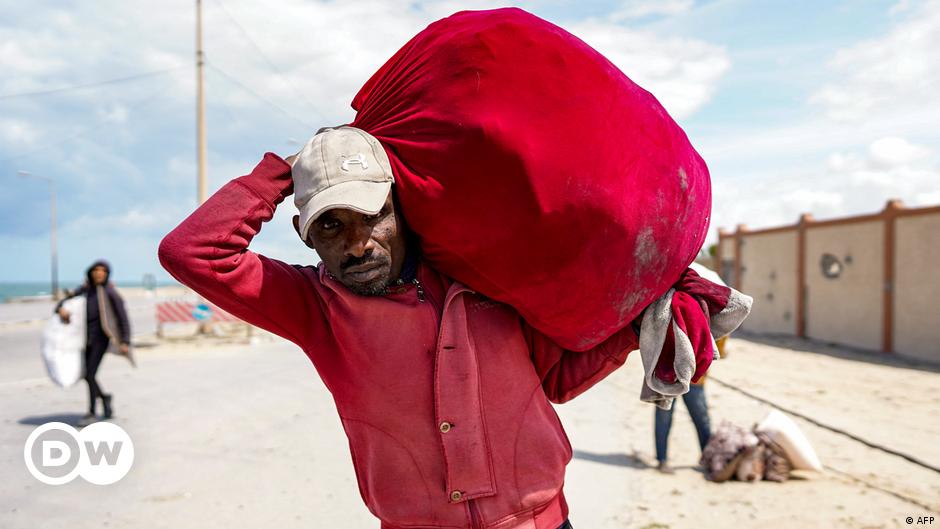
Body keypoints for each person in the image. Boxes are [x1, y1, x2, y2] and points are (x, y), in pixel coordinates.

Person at [158, 127, 656, 529]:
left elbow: (558, 379)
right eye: (330, 224)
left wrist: (638, 329)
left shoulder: (483, 279)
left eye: (373, 216)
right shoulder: (312, 307)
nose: (357, 244)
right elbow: (191, 252)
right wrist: (283, 172)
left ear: (402, 210)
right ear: (303, 234)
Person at [55, 260, 132, 426]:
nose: (99, 273)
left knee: (90, 374)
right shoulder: (85, 290)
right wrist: (60, 309)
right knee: (87, 374)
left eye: (103, 271)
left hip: (101, 339)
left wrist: (125, 340)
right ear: (90, 272)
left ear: (107, 274)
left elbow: (122, 318)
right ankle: (105, 398)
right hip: (83, 339)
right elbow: (63, 302)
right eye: (96, 270)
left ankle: (91, 412)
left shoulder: (110, 293)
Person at [652, 336, 728, 474]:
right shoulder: (710, 315)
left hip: (675, 373)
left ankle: (706, 458)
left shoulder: (711, 316)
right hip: (675, 374)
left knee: (693, 417)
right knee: (697, 418)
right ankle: (663, 460)